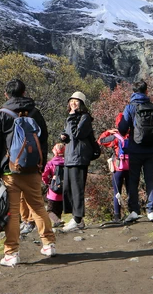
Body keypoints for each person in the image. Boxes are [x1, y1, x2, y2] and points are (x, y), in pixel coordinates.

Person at [0, 79, 56, 267]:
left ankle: (11, 253)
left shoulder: (1, 114)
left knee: (13, 213)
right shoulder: (35, 113)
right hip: (33, 169)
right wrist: (41, 164)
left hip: (10, 171)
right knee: (38, 207)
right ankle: (49, 244)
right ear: (25, 93)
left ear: (6, 94)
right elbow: (43, 139)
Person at [116, 81, 153, 222]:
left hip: (135, 149)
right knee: (150, 179)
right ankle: (151, 211)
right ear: (146, 91)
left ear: (133, 92)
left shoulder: (130, 107)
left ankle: (134, 211)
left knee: (133, 180)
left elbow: (122, 129)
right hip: (151, 150)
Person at [59, 91, 95, 232]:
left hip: (79, 157)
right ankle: (76, 218)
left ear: (82, 104)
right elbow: (68, 133)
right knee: (68, 188)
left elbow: (77, 134)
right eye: (71, 100)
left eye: (77, 101)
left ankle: (77, 219)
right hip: (69, 156)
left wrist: (72, 117)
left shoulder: (85, 118)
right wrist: (62, 136)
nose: (73, 103)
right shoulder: (71, 117)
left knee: (77, 189)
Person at [98, 128, 129, 222]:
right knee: (131, 190)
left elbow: (100, 141)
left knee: (117, 192)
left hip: (118, 166)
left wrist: (108, 132)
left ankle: (117, 216)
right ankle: (133, 212)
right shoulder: (133, 135)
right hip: (131, 165)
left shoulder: (115, 137)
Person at [42, 143, 66, 227]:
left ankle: (57, 221)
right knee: (59, 210)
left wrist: (48, 183)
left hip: (53, 191)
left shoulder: (51, 163)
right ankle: (58, 223)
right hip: (65, 190)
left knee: (49, 210)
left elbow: (44, 175)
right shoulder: (68, 161)